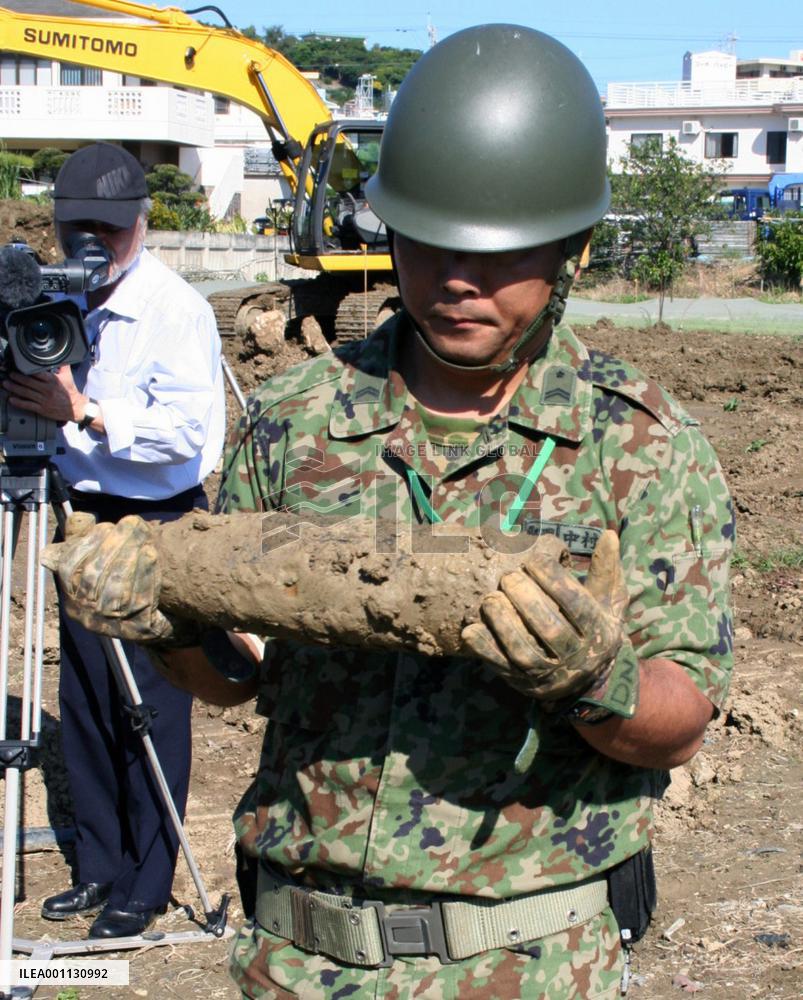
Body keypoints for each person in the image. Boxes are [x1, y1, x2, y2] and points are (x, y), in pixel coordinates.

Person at [42, 27, 734, 997]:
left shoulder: (640, 450)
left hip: (525, 962)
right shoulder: (292, 422)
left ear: (571, 248)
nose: (458, 278)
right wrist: (170, 627)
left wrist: (592, 677)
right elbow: (238, 681)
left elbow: (679, 720)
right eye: (429, 240)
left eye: (498, 252)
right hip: (302, 956)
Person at [4, 142, 226, 939]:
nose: (91, 245)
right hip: (77, 512)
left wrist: (86, 412)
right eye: (76, 230)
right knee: (89, 700)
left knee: (149, 704)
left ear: (141, 221)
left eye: (108, 229)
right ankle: (99, 865)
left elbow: (184, 436)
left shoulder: (176, 309)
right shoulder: (52, 298)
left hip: (153, 523)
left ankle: (148, 876)